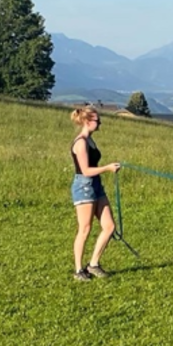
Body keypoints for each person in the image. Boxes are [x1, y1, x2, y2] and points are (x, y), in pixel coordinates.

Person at [70, 106, 121, 281]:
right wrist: (107, 168)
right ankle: (78, 270)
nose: (100, 124)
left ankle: (93, 264)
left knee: (109, 226)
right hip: (84, 186)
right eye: (97, 121)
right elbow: (85, 170)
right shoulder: (81, 142)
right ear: (86, 121)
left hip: (96, 185)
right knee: (85, 229)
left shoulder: (90, 140)